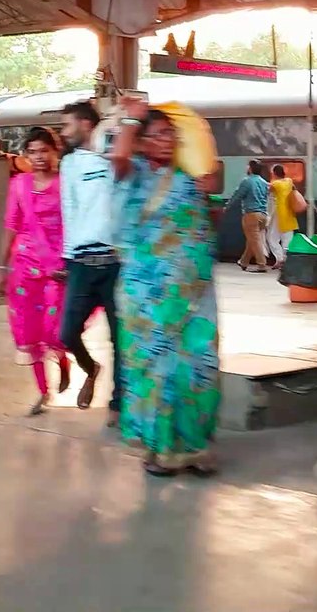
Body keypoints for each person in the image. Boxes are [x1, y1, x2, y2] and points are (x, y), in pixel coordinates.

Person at [110, 98, 223, 476]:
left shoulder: (188, 179)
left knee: (198, 363)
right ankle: (159, 448)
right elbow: (119, 158)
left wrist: (209, 187)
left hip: (194, 294)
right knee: (155, 368)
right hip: (148, 296)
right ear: (140, 143)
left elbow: (203, 222)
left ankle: (195, 445)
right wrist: (130, 119)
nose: (167, 141)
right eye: (157, 135)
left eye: (171, 135)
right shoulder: (133, 172)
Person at [59, 100, 124, 424]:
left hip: (115, 261)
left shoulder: (113, 155)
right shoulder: (68, 164)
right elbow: (69, 210)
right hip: (82, 262)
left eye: (68, 125)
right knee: (67, 332)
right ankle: (90, 368)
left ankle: (118, 402)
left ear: (86, 125)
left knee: (119, 337)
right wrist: (67, 258)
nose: (63, 132)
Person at [2, 127, 71, 417]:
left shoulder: (67, 183)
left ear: (55, 152)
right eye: (32, 152)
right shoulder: (19, 184)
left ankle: (65, 361)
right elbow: (11, 223)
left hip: (59, 266)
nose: (39, 157)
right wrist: (0, 263)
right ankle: (43, 391)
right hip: (25, 267)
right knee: (30, 332)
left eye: (44, 150)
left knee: (55, 331)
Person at [226, 159, 270, 272]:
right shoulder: (265, 183)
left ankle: (262, 264)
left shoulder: (247, 181)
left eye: (247, 166)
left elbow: (237, 195)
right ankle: (244, 262)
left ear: (250, 168)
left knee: (254, 240)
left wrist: (227, 206)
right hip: (263, 216)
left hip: (251, 215)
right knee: (252, 240)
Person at [266, 164, 300, 268]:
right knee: (287, 238)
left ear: (274, 173)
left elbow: (266, 189)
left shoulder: (275, 184)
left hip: (279, 213)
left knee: (271, 238)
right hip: (290, 213)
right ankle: (287, 260)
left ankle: (280, 258)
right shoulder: (289, 181)